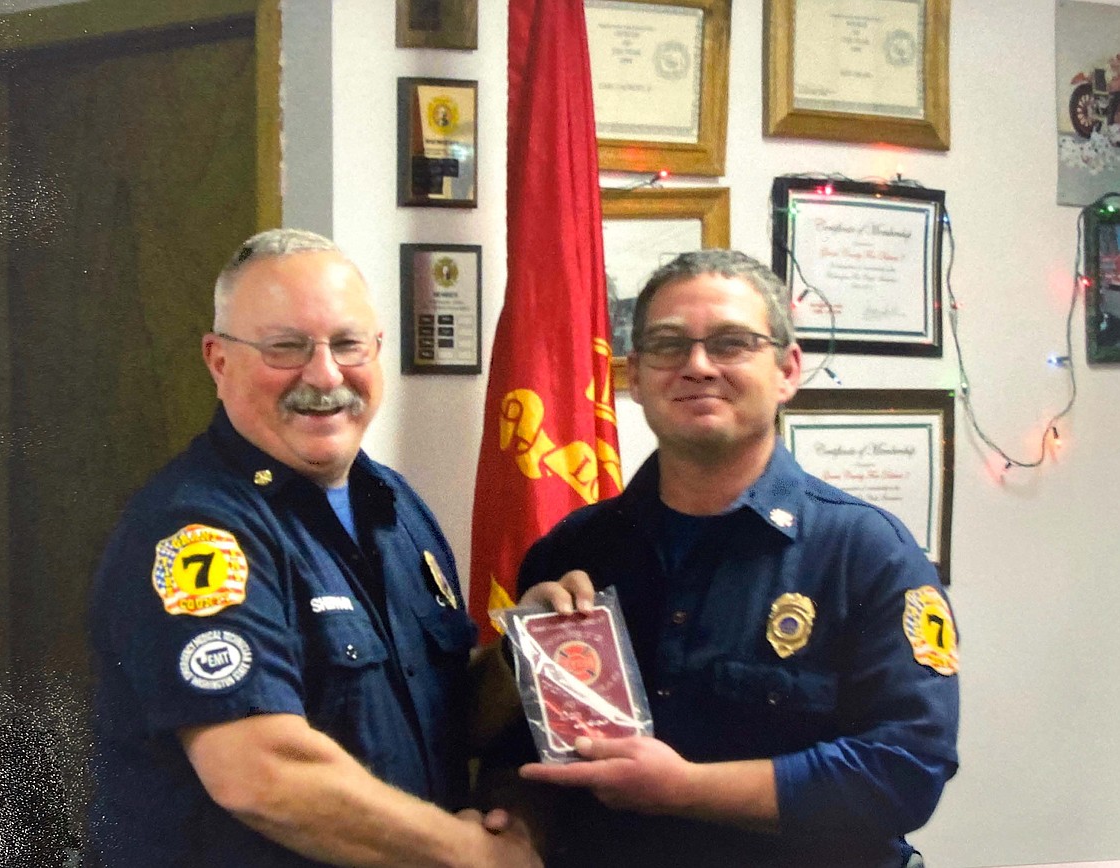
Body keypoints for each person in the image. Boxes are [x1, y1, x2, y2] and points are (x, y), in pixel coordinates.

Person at [87, 229, 540, 867]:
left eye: (348, 344)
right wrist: (472, 856)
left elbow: (433, 708)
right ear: (219, 361)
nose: (324, 374)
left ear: (378, 350)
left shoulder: (392, 504)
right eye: (286, 348)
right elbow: (263, 774)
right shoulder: (199, 532)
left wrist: (528, 655)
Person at [510, 250, 959, 868]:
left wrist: (686, 790)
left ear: (787, 370)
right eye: (668, 345)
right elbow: (521, 754)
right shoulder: (571, 552)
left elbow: (906, 770)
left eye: (731, 343)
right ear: (633, 376)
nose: (697, 366)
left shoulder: (868, 554)